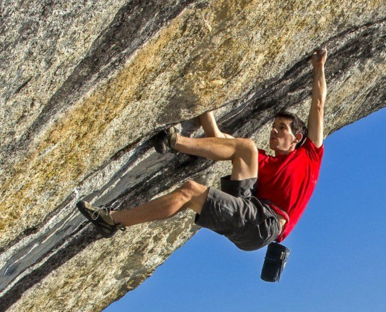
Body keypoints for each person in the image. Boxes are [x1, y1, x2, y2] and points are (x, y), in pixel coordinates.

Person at [78, 47, 327, 251]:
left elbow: (318, 105)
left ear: (297, 137)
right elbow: (217, 139)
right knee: (245, 147)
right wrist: (203, 101)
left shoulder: (309, 155)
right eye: (273, 127)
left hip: (263, 224)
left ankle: (115, 219)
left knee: (190, 192)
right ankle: (174, 142)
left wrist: (318, 67)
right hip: (249, 206)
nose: (274, 131)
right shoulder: (262, 160)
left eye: (281, 128)